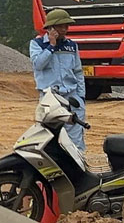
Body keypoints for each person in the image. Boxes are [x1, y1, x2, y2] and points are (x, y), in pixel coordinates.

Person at [29, 8, 87, 152]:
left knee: (75, 136)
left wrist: (81, 97)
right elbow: (38, 65)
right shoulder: (37, 44)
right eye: (61, 26)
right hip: (50, 97)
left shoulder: (72, 46)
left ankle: (78, 168)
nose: (65, 29)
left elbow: (78, 72)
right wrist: (51, 46)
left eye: (66, 26)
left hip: (71, 96)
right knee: (49, 136)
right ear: (50, 28)